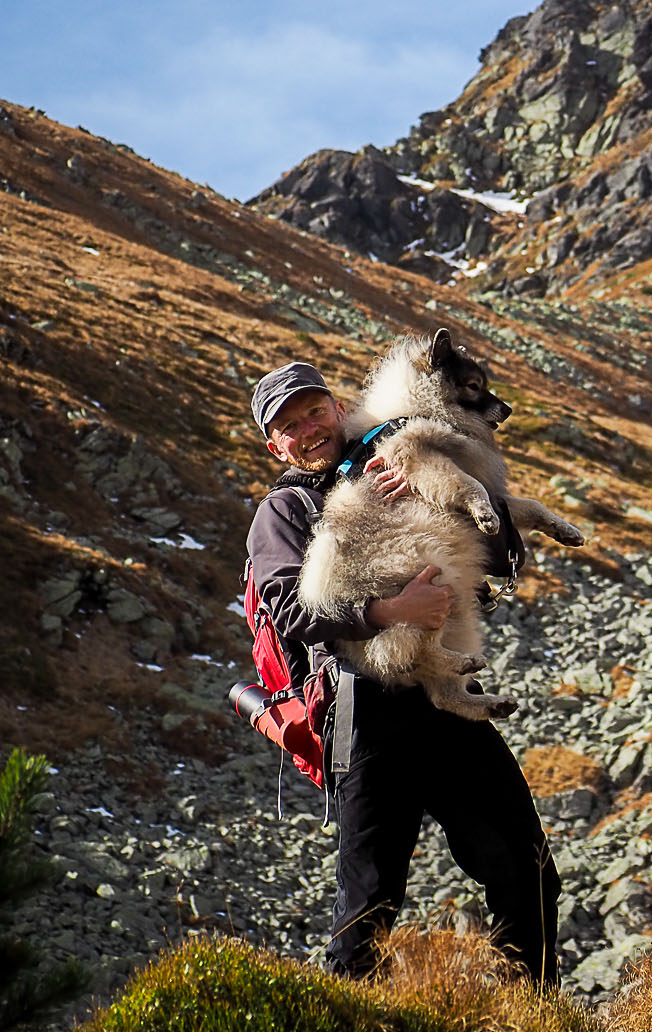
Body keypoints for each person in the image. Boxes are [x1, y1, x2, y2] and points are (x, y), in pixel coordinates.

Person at [244, 360, 560, 983]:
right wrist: (390, 610)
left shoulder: (397, 453)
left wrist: (437, 495)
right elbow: (286, 610)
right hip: (363, 713)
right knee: (369, 904)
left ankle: (532, 1008)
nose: (308, 428)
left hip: (445, 699)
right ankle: (346, 1013)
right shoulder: (284, 512)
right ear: (274, 444)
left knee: (526, 869)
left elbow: (501, 553)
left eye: (313, 411)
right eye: (289, 425)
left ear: (335, 407)